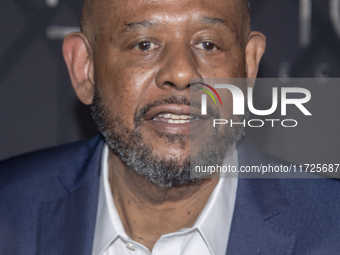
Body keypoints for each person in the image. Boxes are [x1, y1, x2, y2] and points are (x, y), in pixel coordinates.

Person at [1, 0, 340, 254]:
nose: (181, 73)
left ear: (249, 66)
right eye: (144, 44)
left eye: (208, 44)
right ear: (84, 69)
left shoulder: (331, 227)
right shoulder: (9, 214)